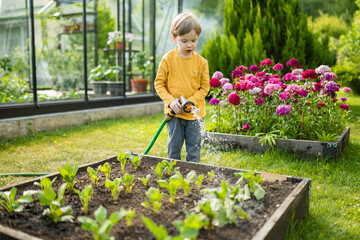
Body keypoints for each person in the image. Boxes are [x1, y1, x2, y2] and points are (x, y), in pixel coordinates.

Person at [154, 13, 210, 162]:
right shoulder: (168, 59)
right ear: (174, 38)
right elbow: (159, 83)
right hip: (175, 114)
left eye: (194, 40)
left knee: (194, 149)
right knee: (174, 148)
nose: (190, 45)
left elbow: (205, 87)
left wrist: (191, 101)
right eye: (184, 41)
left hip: (195, 114)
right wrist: (171, 101)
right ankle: (174, 176)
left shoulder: (201, 63)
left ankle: (192, 177)